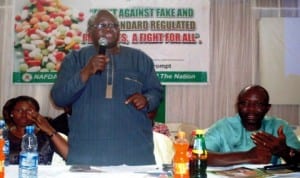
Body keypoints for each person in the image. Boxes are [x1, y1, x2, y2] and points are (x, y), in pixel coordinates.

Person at [50, 9, 163, 166]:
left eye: (114, 25)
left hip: (134, 154)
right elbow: (59, 97)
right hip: (86, 154)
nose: (109, 29)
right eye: (102, 25)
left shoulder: (139, 59)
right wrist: (86, 71)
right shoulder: (75, 59)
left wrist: (147, 99)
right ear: (90, 32)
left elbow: (156, 92)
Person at [204, 85, 300, 166]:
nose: (251, 109)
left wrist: (285, 151)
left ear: (267, 108)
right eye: (244, 104)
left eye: (258, 104)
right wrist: (248, 156)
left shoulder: (279, 127)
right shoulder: (223, 127)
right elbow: (199, 155)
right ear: (238, 106)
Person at [2, 96, 68, 164]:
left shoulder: (46, 135)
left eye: (29, 111)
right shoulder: (3, 136)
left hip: (42, 174)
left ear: (37, 114)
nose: (24, 114)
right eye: (19, 110)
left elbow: (69, 156)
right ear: (11, 113)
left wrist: (50, 130)